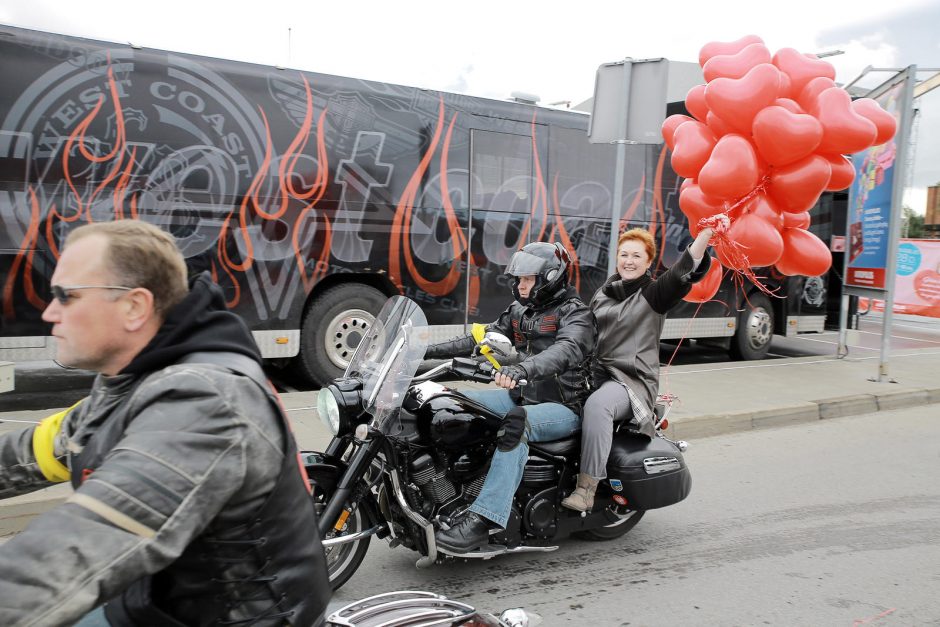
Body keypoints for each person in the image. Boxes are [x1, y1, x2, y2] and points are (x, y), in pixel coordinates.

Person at [0, 220, 330, 626]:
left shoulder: (206, 402)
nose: (50, 311)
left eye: (66, 295)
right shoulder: (134, 380)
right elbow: (41, 448)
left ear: (135, 306)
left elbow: (82, 544)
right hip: (155, 601)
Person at [425, 241, 595, 553]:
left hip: (563, 406)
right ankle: (447, 491)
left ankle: (486, 519)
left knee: (517, 424)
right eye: (518, 279)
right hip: (521, 396)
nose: (520, 285)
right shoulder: (520, 311)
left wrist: (523, 369)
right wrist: (422, 351)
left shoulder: (577, 315)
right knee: (448, 403)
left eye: (527, 279)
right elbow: (479, 337)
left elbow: (565, 350)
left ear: (550, 277)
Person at [561, 225, 715, 512]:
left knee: (598, 407)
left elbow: (681, 272)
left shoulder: (653, 294)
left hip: (629, 381)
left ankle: (586, 488)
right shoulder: (605, 293)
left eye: (636, 256)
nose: (628, 261)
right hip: (595, 374)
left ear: (648, 262)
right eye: (624, 254)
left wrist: (704, 237)